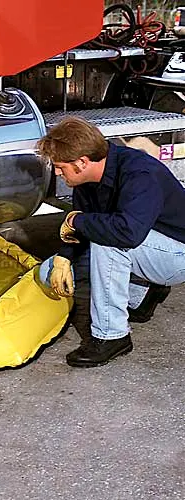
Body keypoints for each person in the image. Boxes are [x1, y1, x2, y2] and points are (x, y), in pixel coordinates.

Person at [36, 116, 185, 367]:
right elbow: (84, 225)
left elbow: (126, 233)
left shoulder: (140, 173)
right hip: (144, 248)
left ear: (82, 162)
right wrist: (64, 256)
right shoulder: (85, 179)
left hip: (177, 254)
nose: (58, 173)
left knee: (108, 242)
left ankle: (112, 336)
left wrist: (76, 221)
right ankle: (142, 294)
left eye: (60, 167)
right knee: (48, 273)